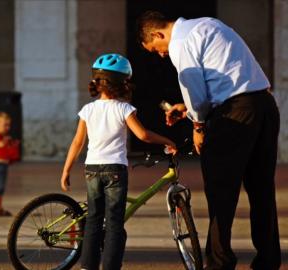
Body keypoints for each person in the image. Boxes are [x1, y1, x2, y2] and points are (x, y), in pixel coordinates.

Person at [137, 11, 281, 270]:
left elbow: (196, 92)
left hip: (234, 115)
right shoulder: (209, 24)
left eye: (155, 49)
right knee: (262, 189)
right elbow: (225, 75)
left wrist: (198, 124)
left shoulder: (181, 43)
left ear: (158, 34)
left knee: (221, 191)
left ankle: (219, 263)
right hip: (264, 105)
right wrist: (187, 107)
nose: (160, 54)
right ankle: (267, 261)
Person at [60, 53, 177, 270]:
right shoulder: (124, 109)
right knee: (114, 224)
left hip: (92, 169)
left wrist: (66, 170)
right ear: (123, 84)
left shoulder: (88, 109)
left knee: (94, 221)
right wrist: (167, 140)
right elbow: (143, 135)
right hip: (115, 169)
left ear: (97, 81)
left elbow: (77, 142)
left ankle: (88, 266)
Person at [0, 112, 20, 216]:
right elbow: (0, 145)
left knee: (1, 188)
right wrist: (5, 141)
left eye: (8, 125)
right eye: (5, 125)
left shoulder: (4, 137)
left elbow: (7, 151)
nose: (8, 127)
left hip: (4, 165)